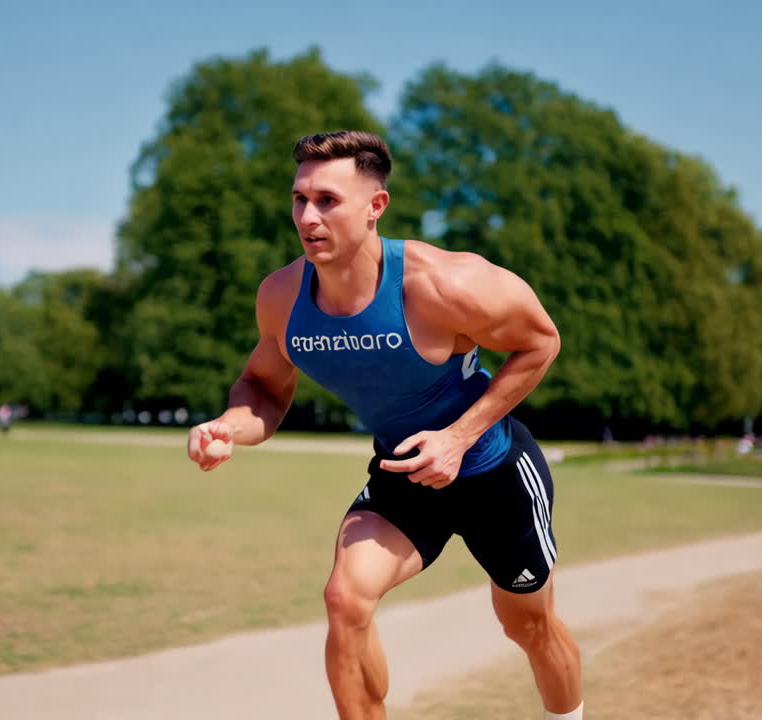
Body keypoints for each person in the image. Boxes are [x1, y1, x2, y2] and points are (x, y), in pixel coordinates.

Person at [186, 131, 582, 719]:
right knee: (345, 598)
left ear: (376, 207)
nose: (307, 216)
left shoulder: (444, 284)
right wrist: (228, 427)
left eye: (327, 200)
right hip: (402, 474)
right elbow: (264, 388)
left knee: (527, 626)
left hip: (494, 472)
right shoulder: (282, 296)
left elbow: (540, 343)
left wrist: (458, 437)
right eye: (299, 199)